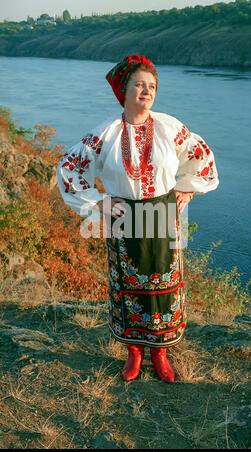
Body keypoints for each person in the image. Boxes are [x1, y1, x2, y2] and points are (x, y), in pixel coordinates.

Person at [57, 55, 219, 383]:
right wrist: (100, 201)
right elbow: (70, 168)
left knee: (164, 285)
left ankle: (160, 353)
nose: (147, 91)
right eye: (139, 84)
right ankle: (134, 352)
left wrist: (188, 188)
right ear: (124, 90)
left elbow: (200, 154)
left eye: (152, 86)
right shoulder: (106, 133)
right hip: (124, 217)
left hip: (162, 214)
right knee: (127, 285)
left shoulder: (170, 127)